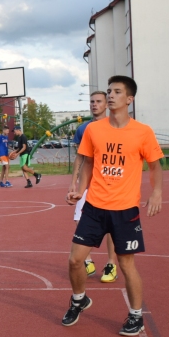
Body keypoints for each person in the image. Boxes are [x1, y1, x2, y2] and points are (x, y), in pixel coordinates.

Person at [62, 76, 164, 336]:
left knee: (126, 264)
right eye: (109, 91)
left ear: (129, 99)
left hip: (125, 209)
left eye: (117, 92)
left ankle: (136, 315)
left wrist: (157, 192)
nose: (110, 95)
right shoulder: (94, 130)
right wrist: (79, 190)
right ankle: (78, 300)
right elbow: (87, 163)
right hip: (95, 206)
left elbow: (155, 165)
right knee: (75, 260)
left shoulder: (143, 132)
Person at [69, 91, 117, 282]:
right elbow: (80, 157)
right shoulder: (83, 129)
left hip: (109, 184)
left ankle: (111, 264)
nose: (94, 104)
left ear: (106, 104)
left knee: (111, 227)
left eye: (99, 101)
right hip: (87, 183)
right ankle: (87, 259)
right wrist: (73, 182)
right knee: (80, 221)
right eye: (92, 102)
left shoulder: (115, 126)